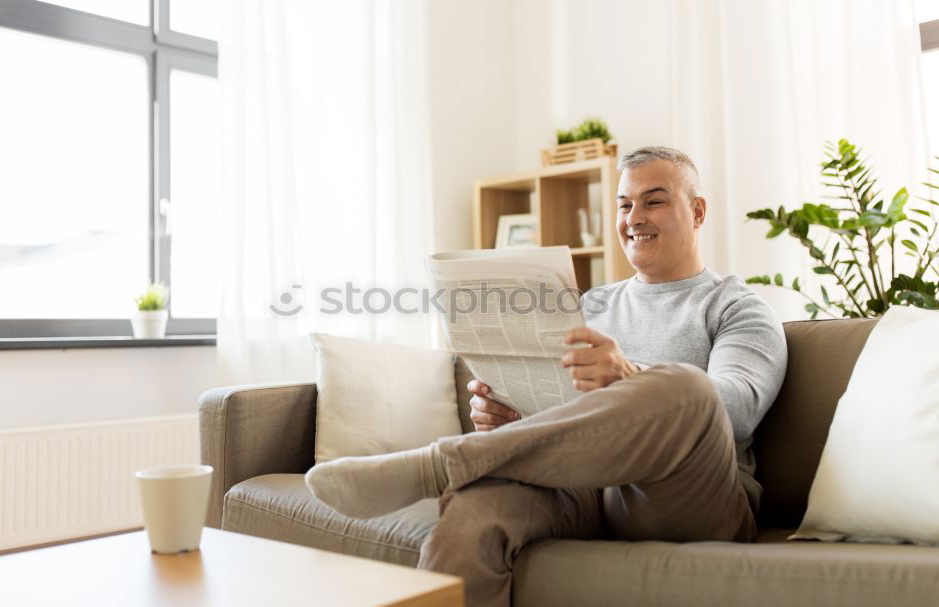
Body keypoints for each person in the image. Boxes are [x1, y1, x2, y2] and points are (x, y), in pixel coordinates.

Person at [305, 146, 788, 607]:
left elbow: (735, 410)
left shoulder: (737, 307)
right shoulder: (588, 306)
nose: (634, 217)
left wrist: (630, 374)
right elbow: (566, 414)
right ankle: (472, 462)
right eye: (623, 204)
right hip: (583, 487)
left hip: (685, 496)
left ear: (698, 212)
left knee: (688, 389)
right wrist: (507, 415)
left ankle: (445, 463)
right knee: (475, 514)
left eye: (653, 201)